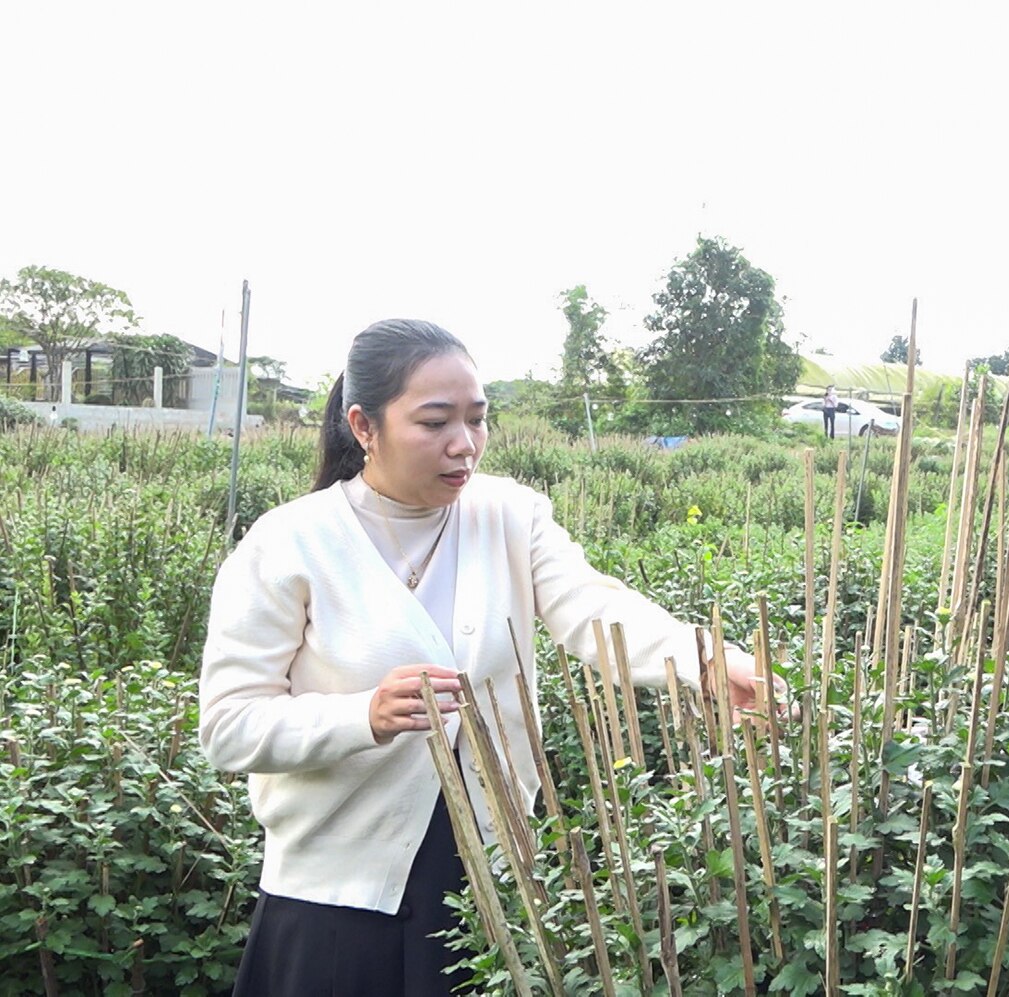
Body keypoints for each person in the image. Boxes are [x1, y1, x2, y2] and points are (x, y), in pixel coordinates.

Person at [199, 319, 766, 996]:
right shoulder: (290, 542)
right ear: (363, 425)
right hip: (335, 894)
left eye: (477, 419)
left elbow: (593, 608)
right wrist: (364, 716)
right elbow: (229, 726)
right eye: (435, 422)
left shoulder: (509, 516)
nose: (463, 445)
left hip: (484, 878)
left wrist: (705, 659)